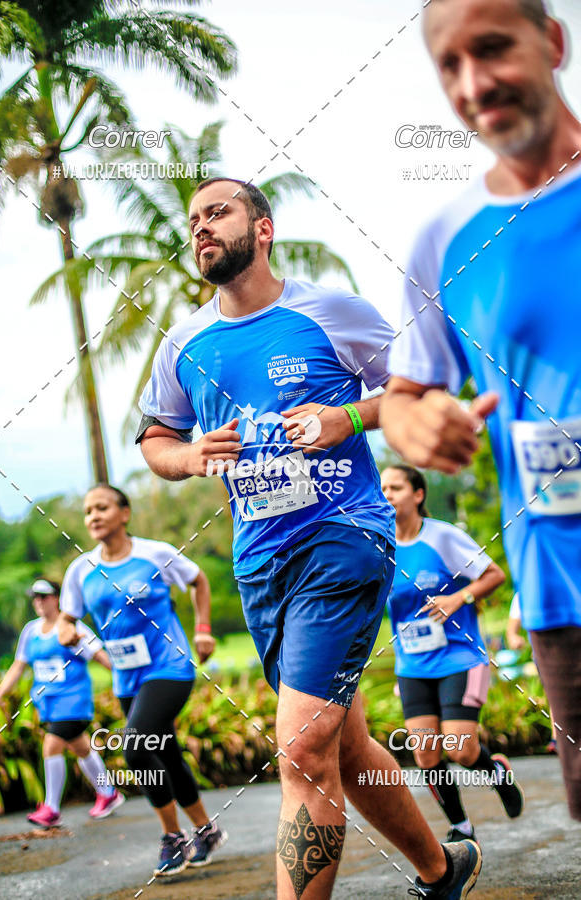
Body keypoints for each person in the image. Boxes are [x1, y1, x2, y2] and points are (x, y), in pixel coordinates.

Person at [136, 176, 482, 899]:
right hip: (260, 563)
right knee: (342, 745)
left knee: (299, 748)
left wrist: (344, 418)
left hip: (343, 536)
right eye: (193, 220)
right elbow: (156, 439)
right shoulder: (184, 344)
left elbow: (418, 389)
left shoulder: (333, 313)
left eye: (218, 213)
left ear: (263, 229)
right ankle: (442, 869)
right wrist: (190, 457)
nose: (201, 228)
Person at [383, 0, 581, 822]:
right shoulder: (447, 239)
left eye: (493, 48)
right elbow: (404, 395)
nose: (473, 82)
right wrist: (419, 424)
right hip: (561, 586)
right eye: (450, 65)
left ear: (553, 42)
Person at [57, 484, 225, 877]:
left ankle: (173, 838)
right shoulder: (81, 569)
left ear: (125, 513)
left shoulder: (155, 554)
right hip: (126, 678)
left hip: (169, 666)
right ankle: (207, 831)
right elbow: (67, 616)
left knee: (135, 747)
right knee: (166, 753)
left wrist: (202, 629)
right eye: (88, 511)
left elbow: (198, 580)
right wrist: (66, 629)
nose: (94, 516)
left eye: (102, 508)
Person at [381, 465, 523, 842]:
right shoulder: (380, 544)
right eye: (383, 488)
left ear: (418, 494)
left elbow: (494, 575)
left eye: (396, 487)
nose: (387, 494)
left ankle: (496, 774)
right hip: (412, 664)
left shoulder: (441, 537)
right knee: (426, 754)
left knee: (460, 749)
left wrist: (458, 598)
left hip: (460, 657)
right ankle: (461, 827)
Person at [0, 578, 124, 827]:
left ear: (57, 598)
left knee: (51, 745)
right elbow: (18, 666)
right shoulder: (31, 631)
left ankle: (51, 808)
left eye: (43, 596)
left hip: (74, 701)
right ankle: (108, 793)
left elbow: (100, 657)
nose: (38, 601)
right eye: (35, 597)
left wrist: (127, 679)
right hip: (48, 704)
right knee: (81, 748)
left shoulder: (73, 628)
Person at [506, 593, 557, 753]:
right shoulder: (524, 593)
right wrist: (515, 639)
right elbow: (511, 631)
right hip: (544, 654)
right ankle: (557, 739)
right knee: (555, 694)